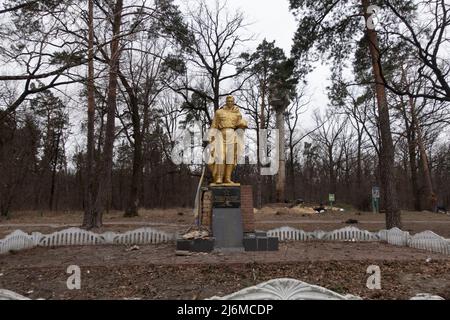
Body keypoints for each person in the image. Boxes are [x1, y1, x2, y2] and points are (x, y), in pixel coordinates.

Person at [208, 96, 247, 184]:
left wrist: (243, 124)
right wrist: (210, 137)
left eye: (231, 101)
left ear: (234, 102)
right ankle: (219, 177)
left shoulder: (237, 113)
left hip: (232, 135)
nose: (230, 102)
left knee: (230, 158)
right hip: (221, 134)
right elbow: (214, 125)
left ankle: (227, 178)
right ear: (226, 102)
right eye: (228, 101)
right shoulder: (219, 112)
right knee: (220, 156)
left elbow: (241, 125)